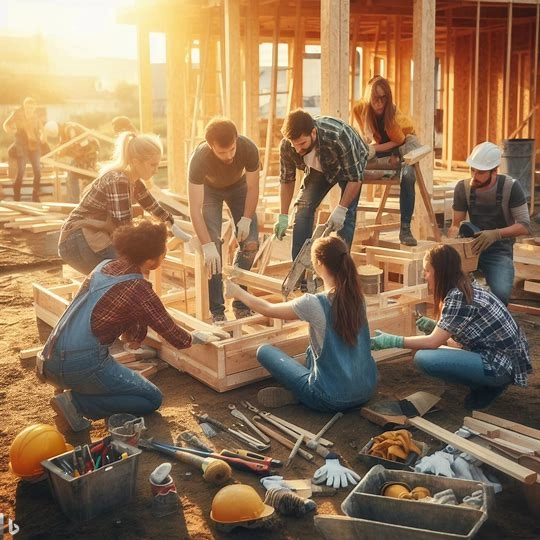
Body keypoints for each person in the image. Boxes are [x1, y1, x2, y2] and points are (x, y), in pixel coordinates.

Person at [39, 220, 227, 431]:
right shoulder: (139, 290)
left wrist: (135, 335)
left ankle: (70, 388)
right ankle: (76, 403)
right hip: (82, 364)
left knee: (114, 379)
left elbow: (122, 314)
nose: (164, 256)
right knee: (151, 398)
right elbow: (174, 336)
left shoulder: (103, 267)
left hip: (50, 359)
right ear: (149, 261)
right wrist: (197, 337)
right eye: (162, 253)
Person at [225, 235, 378, 412]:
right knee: (312, 348)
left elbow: (268, 308)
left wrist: (237, 292)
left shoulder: (313, 303)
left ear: (319, 264)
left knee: (265, 351)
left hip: (329, 399)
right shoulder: (357, 297)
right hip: (366, 390)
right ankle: (303, 392)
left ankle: (303, 395)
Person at [371, 244, 531, 410]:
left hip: (499, 365)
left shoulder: (458, 296)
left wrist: (391, 341)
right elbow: (464, 337)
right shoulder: (465, 285)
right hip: (503, 358)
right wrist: (437, 326)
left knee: (423, 357)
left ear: (440, 272)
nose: (424, 276)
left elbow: (432, 342)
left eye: (427, 270)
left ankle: (488, 386)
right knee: (423, 350)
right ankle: (488, 382)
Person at [58, 131, 189, 275]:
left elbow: (152, 206)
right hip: (77, 239)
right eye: (153, 165)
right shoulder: (118, 180)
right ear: (135, 161)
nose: (156, 171)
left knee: (126, 273)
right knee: (129, 271)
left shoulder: (134, 182)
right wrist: (151, 249)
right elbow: (124, 228)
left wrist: (172, 225)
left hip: (90, 236)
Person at [188, 117, 260, 322]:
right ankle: (217, 311)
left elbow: (253, 188)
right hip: (209, 191)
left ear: (236, 139)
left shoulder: (248, 149)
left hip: (239, 188)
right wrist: (207, 245)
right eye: (222, 152)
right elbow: (194, 208)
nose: (229, 156)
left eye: (232, 149)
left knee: (252, 243)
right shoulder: (199, 160)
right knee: (213, 254)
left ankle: (239, 301)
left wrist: (246, 219)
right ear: (210, 146)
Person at [275, 109, 369, 261]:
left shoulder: (338, 136)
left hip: (349, 162)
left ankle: (338, 269)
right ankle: (298, 273)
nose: (298, 150)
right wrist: (283, 215)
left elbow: (355, 178)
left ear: (313, 133)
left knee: (346, 217)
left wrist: (341, 209)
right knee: (302, 209)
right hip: (320, 167)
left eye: (302, 144)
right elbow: (286, 180)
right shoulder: (287, 145)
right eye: (294, 145)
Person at [448, 141, 531, 305]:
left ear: (494, 171)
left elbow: (525, 225)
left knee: (501, 295)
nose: (474, 176)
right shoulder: (462, 188)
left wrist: (496, 234)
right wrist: (452, 242)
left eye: (480, 172)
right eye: (472, 170)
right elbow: (456, 224)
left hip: (498, 251)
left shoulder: (511, 187)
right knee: (454, 291)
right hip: (471, 249)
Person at [352, 75, 419, 246]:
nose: (380, 103)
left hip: (405, 143)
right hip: (383, 145)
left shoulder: (393, 115)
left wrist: (375, 150)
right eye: (376, 98)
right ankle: (348, 224)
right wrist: (369, 149)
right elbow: (368, 135)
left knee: (408, 174)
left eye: (384, 98)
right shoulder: (359, 109)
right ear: (369, 98)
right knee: (353, 168)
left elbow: (399, 140)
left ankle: (405, 230)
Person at [44, 120, 100, 203]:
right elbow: (65, 146)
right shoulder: (63, 132)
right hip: (82, 154)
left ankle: (74, 202)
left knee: (75, 176)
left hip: (89, 152)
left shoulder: (69, 129)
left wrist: (63, 150)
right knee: (74, 176)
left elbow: (73, 142)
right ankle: (76, 202)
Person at [3, 97, 43, 202]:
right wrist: (13, 130)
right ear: (25, 106)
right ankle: (17, 195)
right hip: (22, 146)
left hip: (34, 146)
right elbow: (5, 125)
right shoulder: (17, 114)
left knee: (38, 171)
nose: (30, 110)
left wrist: (43, 135)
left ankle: (35, 195)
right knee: (21, 170)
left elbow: (41, 129)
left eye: (32, 108)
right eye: (28, 107)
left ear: (34, 108)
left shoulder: (36, 117)